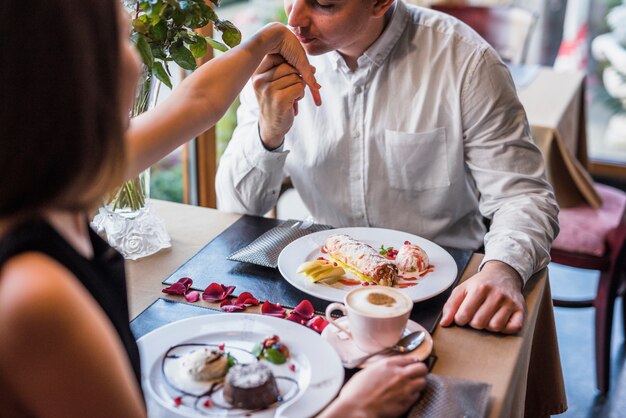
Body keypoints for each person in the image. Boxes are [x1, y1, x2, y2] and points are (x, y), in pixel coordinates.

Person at [0, 1, 426, 417]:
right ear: (68, 73)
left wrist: (271, 39)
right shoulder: (36, 297)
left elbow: (197, 102)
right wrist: (353, 409)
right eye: (121, 40)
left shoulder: (62, 176)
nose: (136, 63)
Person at [216, 0, 560, 335]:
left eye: (324, 4)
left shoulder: (467, 62)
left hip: (444, 291)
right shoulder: (276, 64)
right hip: (319, 289)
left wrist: (503, 269)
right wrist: (269, 132)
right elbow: (237, 208)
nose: (295, 19)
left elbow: (522, 195)